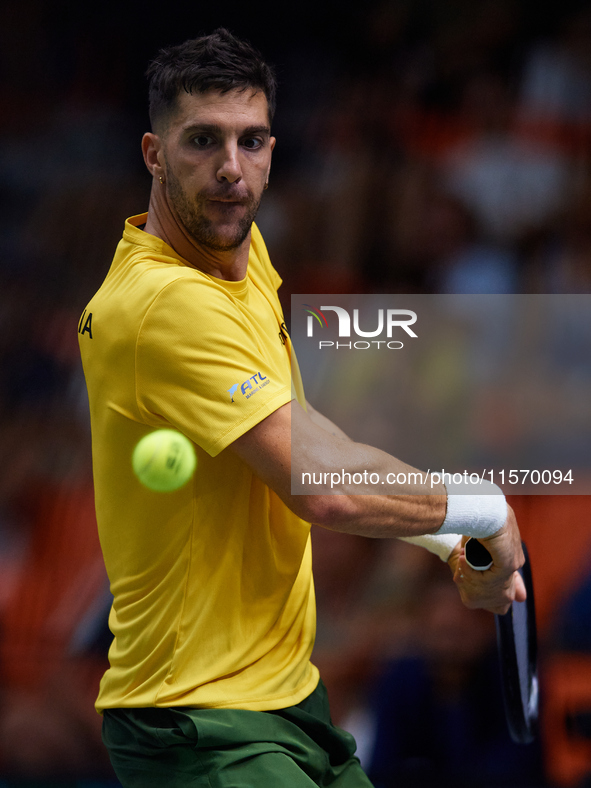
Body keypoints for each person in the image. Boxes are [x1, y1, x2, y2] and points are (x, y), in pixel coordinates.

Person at [78, 28, 526, 788]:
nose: (230, 169)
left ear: (274, 148)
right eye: (202, 141)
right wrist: (482, 507)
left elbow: (308, 436)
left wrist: (444, 535)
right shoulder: (163, 304)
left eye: (251, 142)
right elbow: (320, 484)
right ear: (153, 154)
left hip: (286, 700)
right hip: (201, 721)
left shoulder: (241, 263)